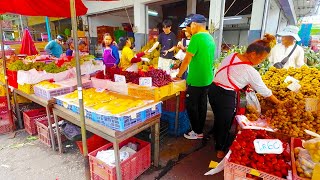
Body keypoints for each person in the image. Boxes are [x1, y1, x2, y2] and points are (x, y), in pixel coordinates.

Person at [209, 34, 282, 159]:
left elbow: (231, 74)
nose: (261, 62)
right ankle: (220, 148)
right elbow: (265, 92)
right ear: (253, 54)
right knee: (225, 123)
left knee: (219, 118)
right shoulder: (250, 71)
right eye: (261, 59)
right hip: (226, 96)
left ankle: (215, 134)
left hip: (213, 90)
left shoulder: (232, 56)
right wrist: (279, 103)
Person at [174, 14, 215, 140]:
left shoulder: (196, 38)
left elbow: (186, 61)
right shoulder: (210, 37)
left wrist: (178, 75)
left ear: (194, 25)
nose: (188, 30)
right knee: (202, 105)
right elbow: (197, 53)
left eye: (189, 27)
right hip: (207, 79)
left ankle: (197, 131)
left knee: (191, 106)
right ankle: (200, 129)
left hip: (196, 80)